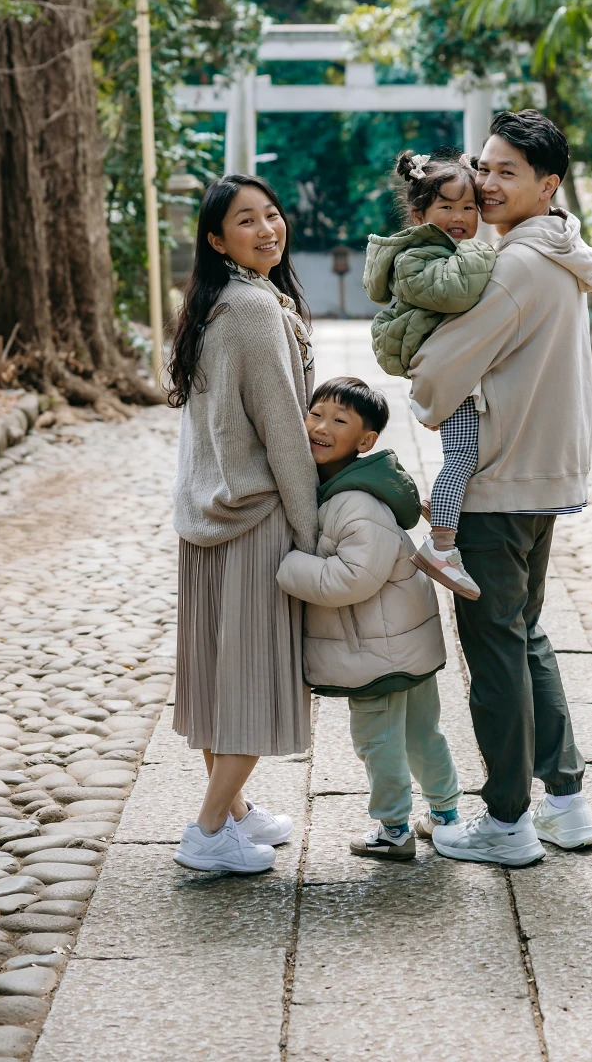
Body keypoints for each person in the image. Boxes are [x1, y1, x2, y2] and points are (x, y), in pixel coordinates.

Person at [407, 109, 592, 868]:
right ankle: (566, 803)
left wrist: (423, 378)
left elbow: (437, 366)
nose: (484, 183)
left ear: (546, 185)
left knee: (493, 654)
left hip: (496, 480)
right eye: (482, 167)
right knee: (527, 640)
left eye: (504, 172)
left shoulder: (515, 265)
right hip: (542, 475)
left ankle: (508, 823)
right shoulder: (560, 248)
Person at [167, 174, 319, 875]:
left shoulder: (211, 305)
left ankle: (234, 812)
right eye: (246, 221)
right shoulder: (255, 310)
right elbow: (285, 432)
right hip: (254, 520)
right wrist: (310, 530)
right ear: (215, 237)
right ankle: (206, 834)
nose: (267, 229)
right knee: (255, 688)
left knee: (218, 684)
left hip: (206, 518)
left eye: (272, 213)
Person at [276, 376, 461, 861]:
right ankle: (444, 813)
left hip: (377, 650)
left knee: (379, 741)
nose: (320, 426)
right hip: (401, 642)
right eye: (315, 414)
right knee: (422, 732)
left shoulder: (352, 502)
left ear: (365, 441)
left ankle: (395, 828)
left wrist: (290, 566)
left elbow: (353, 578)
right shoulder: (347, 490)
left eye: (339, 420)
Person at [363, 150, 496, 599]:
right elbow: (456, 293)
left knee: (463, 453)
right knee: (461, 455)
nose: (460, 216)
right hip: (442, 370)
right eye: (448, 207)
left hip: (447, 366)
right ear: (420, 214)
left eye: (469, 207)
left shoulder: (445, 251)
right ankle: (441, 547)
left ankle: (440, 508)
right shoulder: (415, 258)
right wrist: (484, 252)